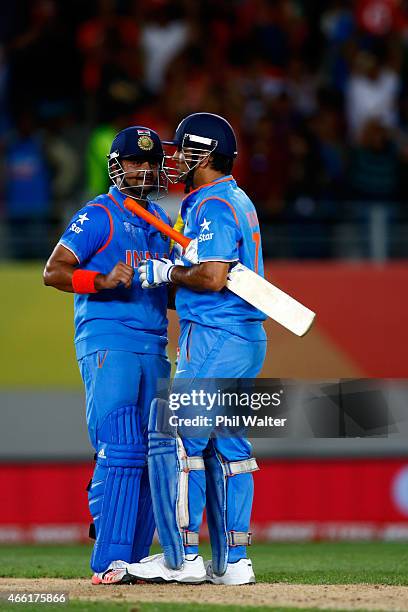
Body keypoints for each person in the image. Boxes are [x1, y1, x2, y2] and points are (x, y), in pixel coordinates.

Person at [109, 112, 267, 586]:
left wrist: (167, 273)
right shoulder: (232, 199)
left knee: (177, 438)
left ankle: (181, 558)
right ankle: (233, 562)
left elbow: (214, 277)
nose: (174, 158)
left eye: (182, 150)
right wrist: (177, 272)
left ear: (205, 154)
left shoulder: (214, 205)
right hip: (242, 337)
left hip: (217, 336)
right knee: (227, 446)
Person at [43, 126, 172, 584]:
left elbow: (168, 292)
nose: (144, 169)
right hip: (108, 340)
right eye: (135, 162)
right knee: (120, 448)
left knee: (158, 454)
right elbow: (54, 272)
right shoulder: (99, 214)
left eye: (151, 162)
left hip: (155, 344)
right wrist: (100, 281)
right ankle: (108, 564)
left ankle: (133, 564)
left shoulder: (161, 221)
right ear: (117, 166)